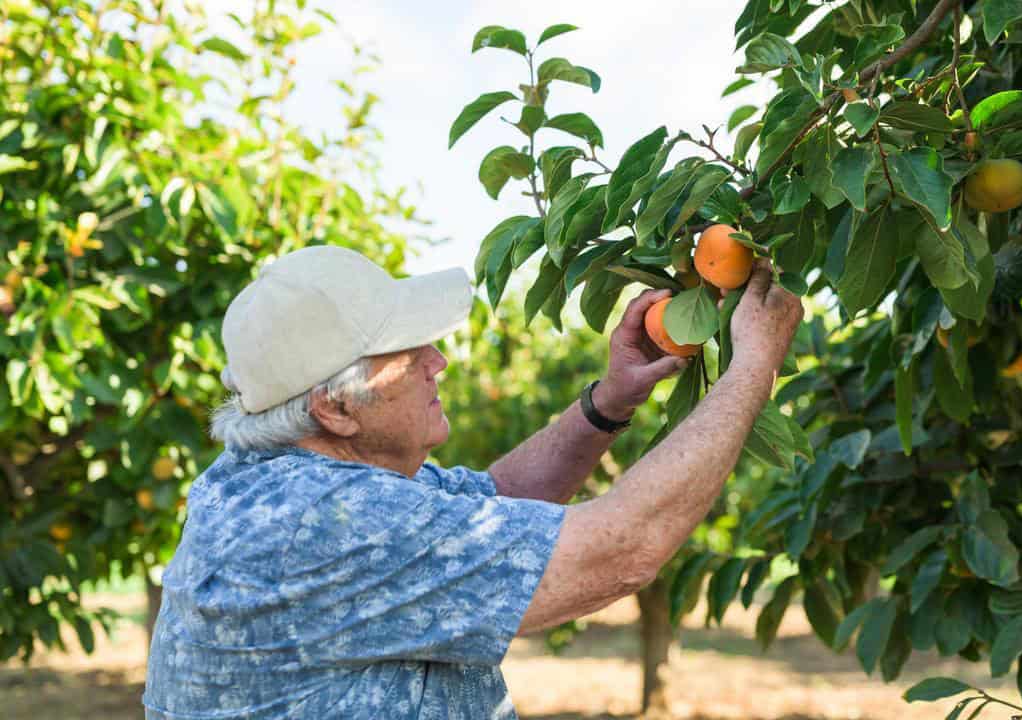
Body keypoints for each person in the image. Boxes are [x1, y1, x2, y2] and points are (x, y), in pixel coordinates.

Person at [142, 244, 803, 719]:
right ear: (335, 408)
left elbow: (489, 504)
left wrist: (608, 402)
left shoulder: (277, 479)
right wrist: (752, 367)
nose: (439, 360)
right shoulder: (325, 519)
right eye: (407, 353)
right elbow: (622, 549)